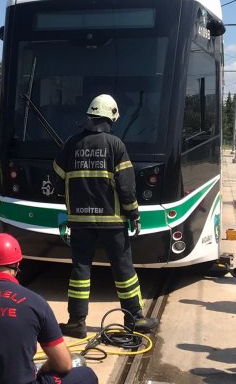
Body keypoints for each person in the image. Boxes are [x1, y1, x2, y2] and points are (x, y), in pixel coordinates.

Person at [52, 94, 158, 338]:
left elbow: (57, 177)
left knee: (80, 269)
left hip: (79, 221)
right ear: (111, 117)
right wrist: (134, 214)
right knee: (123, 269)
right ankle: (134, 319)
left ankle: (76, 322)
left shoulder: (71, 144)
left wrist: (71, 201)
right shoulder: (115, 145)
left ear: (90, 116)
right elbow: (126, 187)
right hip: (113, 222)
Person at [0, 233, 98, 384]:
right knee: (86, 374)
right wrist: (45, 368)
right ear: (18, 264)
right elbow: (64, 364)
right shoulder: (36, 303)